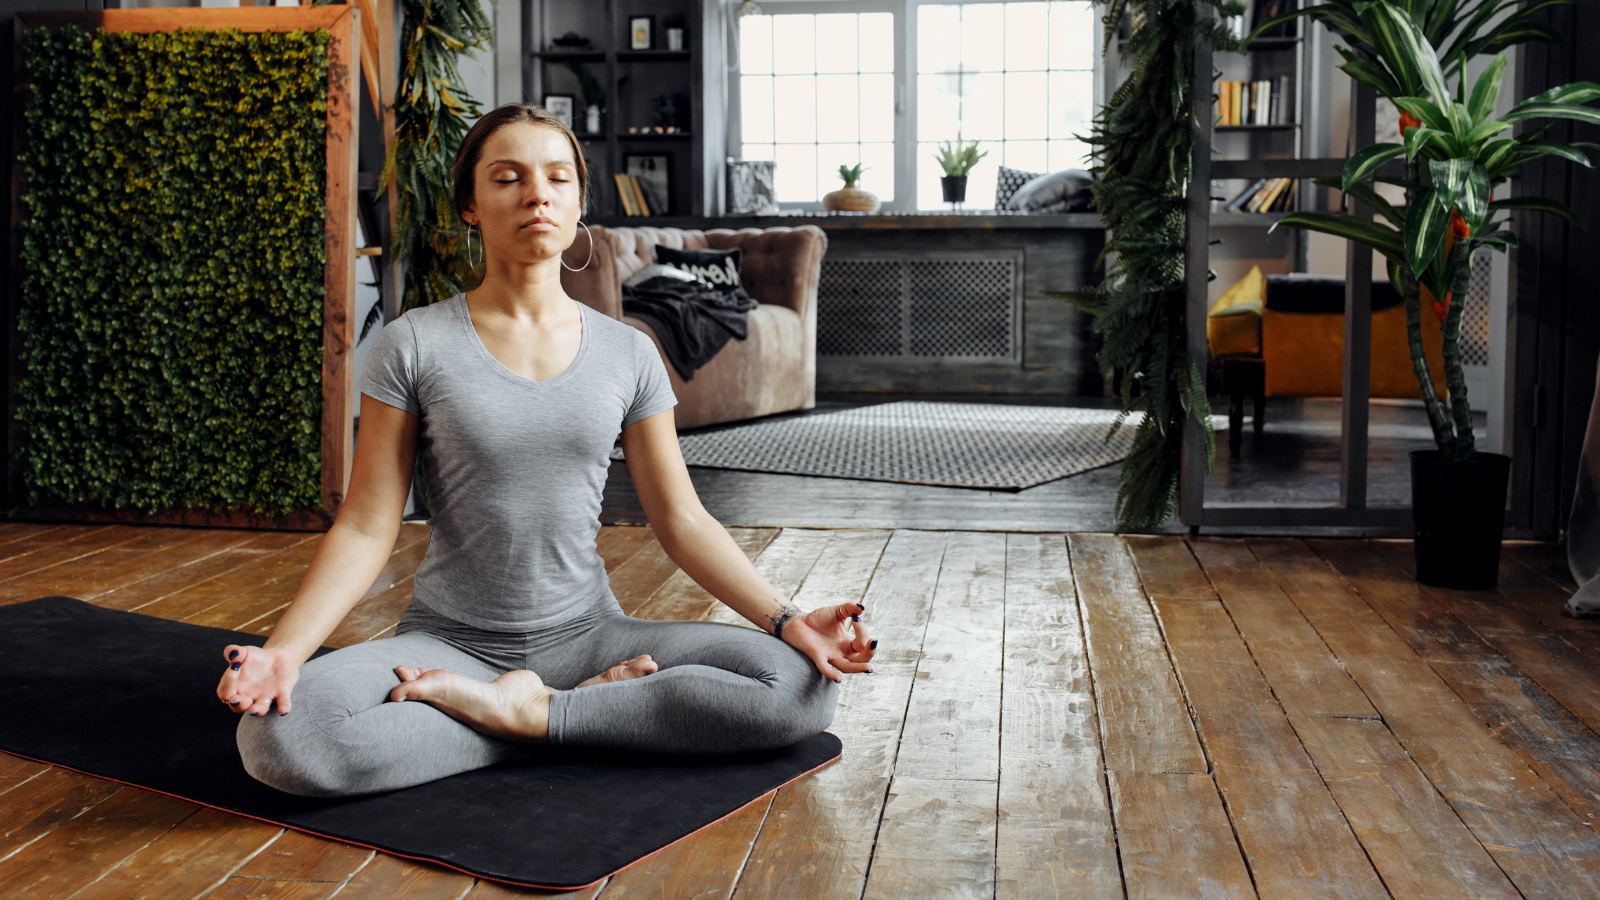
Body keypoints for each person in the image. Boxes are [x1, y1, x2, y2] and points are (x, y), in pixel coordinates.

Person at [215, 104, 876, 798]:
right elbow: (366, 523)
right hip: (448, 641)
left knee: (799, 686)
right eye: (509, 178)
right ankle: (576, 714)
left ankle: (532, 713)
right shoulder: (413, 343)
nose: (537, 193)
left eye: (558, 178)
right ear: (471, 206)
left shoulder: (628, 352)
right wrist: (285, 652)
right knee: (280, 741)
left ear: (578, 202)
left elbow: (682, 521)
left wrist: (787, 619)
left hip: (591, 634)